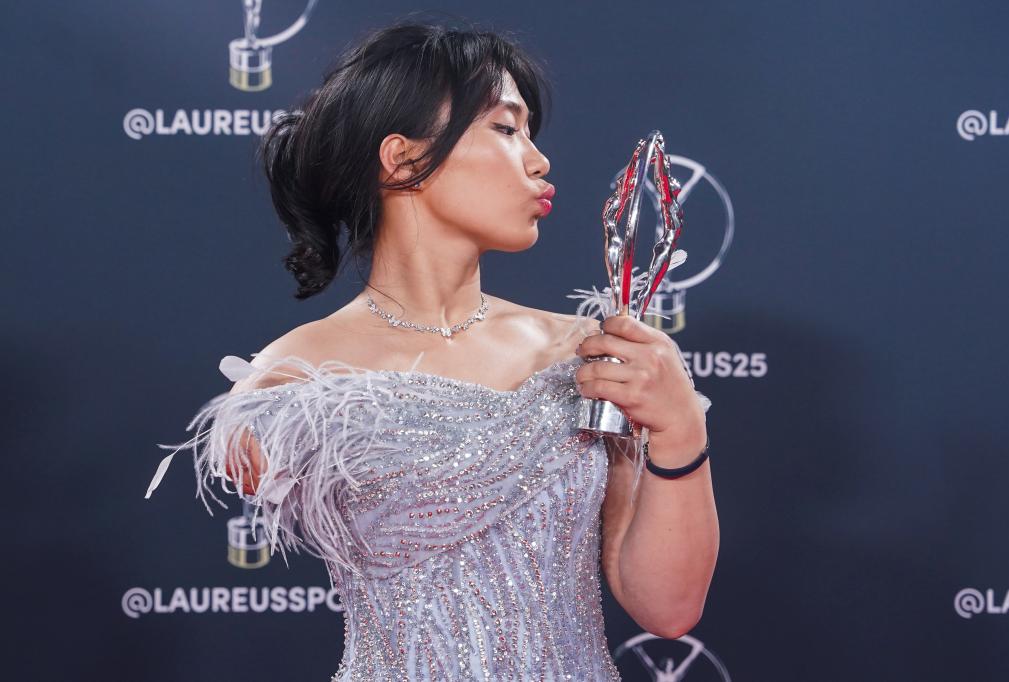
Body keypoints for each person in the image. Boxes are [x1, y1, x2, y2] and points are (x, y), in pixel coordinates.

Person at [145, 17, 718, 681]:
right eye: (506, 128)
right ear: (403, 158)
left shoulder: (584, 354)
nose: (539, 160)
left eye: (531, 133)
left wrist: (681, 429)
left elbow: (668, 609)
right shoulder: (294, 381)